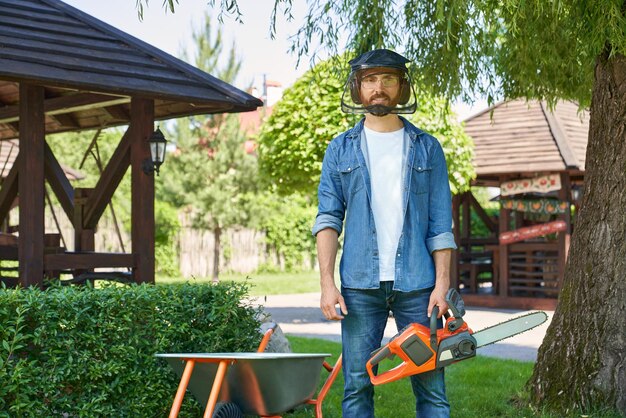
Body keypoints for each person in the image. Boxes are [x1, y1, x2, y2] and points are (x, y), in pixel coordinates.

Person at [312, 49, 457, 418]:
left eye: (388, 79)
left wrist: (442, 285)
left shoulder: (428, 148)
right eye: (371, 80)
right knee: (357, 387)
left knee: (432, 389)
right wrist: (327, 284)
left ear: (402, 87)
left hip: (419, 288)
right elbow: (328, 219)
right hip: (360, 287)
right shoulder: (339, 149)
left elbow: (441, 226)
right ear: (358, 87)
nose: (379, 88)